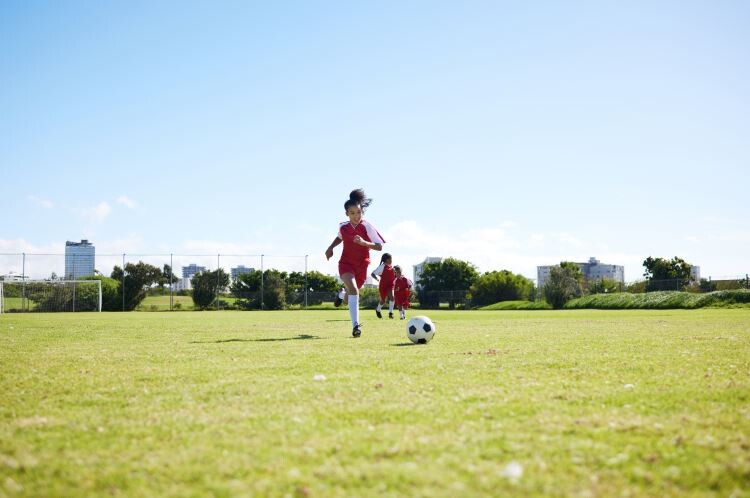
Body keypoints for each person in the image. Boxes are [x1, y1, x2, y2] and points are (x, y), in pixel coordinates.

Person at [325, 189, 385, 337]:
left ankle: (341, 295)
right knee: (354, 291)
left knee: (349, 297)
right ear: (347, 214)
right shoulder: (343, 227)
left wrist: (364, 242)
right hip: (345, 264)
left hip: (362, 266)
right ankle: (355, 326)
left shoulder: (367, 226)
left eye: (358, 212)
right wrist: (331, 247)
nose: (356, 216)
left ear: (362, 212)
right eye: (352, 213)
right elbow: (340, 237)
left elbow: (379, 246)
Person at [371, 253, 395, 319]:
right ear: (387, 260)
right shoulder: (382, 266)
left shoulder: (392, 267)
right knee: (383, 300)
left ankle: (391, 313)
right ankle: (378, 310)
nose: (391, 260)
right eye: (390, 259)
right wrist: (377, 279)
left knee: (392, 297)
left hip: (390, 285)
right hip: (383, 285)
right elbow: (372, 274)